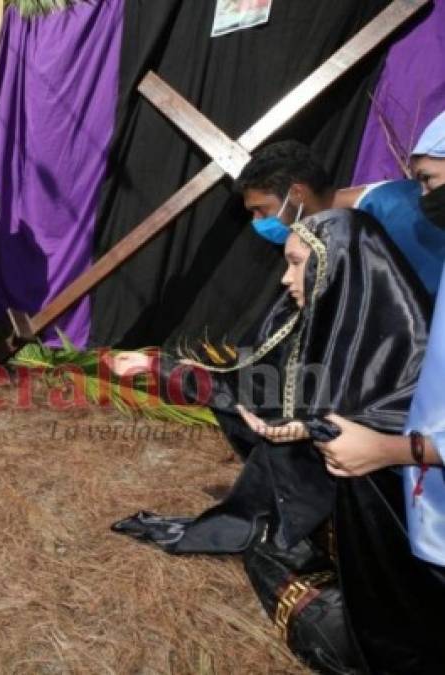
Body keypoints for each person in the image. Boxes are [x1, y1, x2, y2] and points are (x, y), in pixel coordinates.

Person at [109, 209, 434, 671]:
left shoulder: (418, 354)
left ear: (338, 265)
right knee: (262, 546)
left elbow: (394, 430)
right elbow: (248, 388)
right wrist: (158, 368)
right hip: (334, 530)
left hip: (405, 560)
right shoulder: (313, 327)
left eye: (298, 263)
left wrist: (328, 431)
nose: (285, 279)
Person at [245, 140, 445, 295]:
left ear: (297, 194)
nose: (256, 220)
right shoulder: (336, 231)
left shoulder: (396, 213)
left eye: (261, 209)